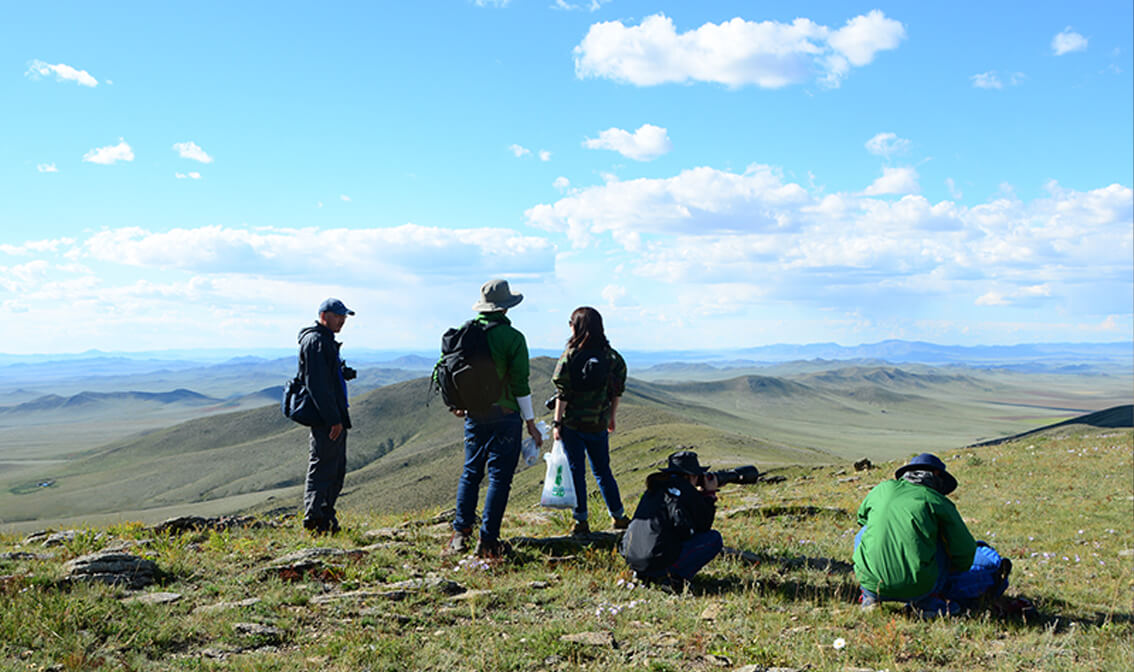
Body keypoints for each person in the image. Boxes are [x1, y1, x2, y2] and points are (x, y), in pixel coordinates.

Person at [447, 279, 544, 558]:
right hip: (506, 415)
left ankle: (459, 535)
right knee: (499, 479)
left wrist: (457, 403)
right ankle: (487, 541)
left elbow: (447, 370)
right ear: (505, 308)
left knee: (470, 473)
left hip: (474, 414)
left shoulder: (466, 332)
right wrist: (530, 422)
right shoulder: (513, 338)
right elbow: (520, 384)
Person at [853, 453, 1012, 616]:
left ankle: (870, 599)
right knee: (942, 543)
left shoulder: (882, 489)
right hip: (918, 586)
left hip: (871, 584)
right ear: (936, 475)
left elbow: (862, 517)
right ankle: (928, 604)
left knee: (865, 531)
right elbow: (964, 552)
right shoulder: (938, 502)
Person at [550, 306, 630, 536]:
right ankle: (618, 516)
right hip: (598, 423)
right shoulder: (612, 357)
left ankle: (581, 521)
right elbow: (617, 391)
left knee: (577, 473)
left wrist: (557, 424)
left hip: (573, 425)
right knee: (603, 471)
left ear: (577, 326)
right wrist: (611, 418)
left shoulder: (570, 356)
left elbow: (562, 393)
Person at [620, 450, 723, 591]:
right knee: (714, 539)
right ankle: (673, 579)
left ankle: (646, 575)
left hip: (633, 559)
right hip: (657, 559)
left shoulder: (654, 487)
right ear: (691, 475)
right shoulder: (685, 490)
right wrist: (709, 495)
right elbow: (704, 526)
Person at [297, 298, 357, 534]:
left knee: (334, 468)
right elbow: (317, 385)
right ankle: (314, 520)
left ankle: (325, 515)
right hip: (326, 419)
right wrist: (333, 419)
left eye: (344, 316)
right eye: (338, 315)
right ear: (324, 316)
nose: (342, 320)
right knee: (323, 467)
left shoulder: (325, 340)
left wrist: (342, 373)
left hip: (333, 416)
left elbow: (325, 376)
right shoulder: (316, 341)